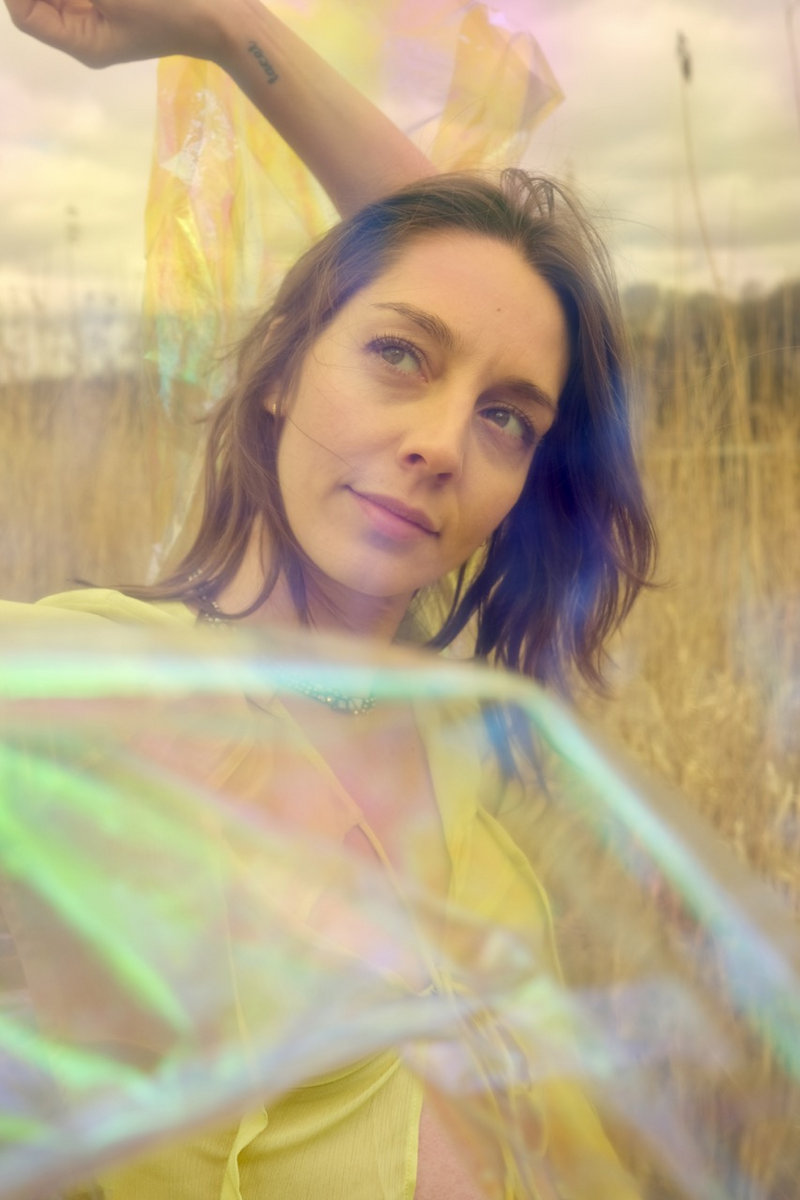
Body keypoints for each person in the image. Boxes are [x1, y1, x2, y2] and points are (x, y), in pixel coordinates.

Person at [2, 1, 655, 1197]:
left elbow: (485, 284)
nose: (441, 444)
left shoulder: (460, 740)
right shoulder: (99, 687)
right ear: (279, 368)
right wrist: (226, 27)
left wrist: (225, 27)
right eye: (396, 356)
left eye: (504, 417)